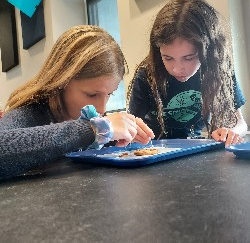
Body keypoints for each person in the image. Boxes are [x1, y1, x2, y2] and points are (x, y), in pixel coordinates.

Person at [0, 25, 154, 180]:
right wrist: (94, 130)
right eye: (92, 94)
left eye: (109, 94)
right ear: (61, 82)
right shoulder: (31, 111)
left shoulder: (89, 114)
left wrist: (118, 136)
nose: (102, 107)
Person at [127, 0, 248, 147]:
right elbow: (130, 126)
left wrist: (232, 132)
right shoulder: (146, 75)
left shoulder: (219, 69)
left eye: (189, 57)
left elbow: (241, 124)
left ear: (208, 51)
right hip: (155, 152)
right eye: (168, 58)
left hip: (195, 150)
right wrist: (133, 133)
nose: (177, 69)